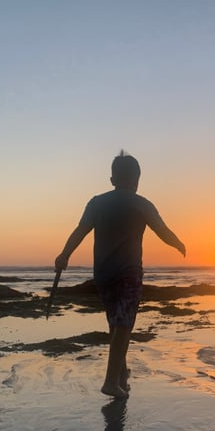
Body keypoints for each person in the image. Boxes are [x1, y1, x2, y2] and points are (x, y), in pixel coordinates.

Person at [55, 151, 186, 398]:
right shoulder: (141, 204)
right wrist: (179, 244)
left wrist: (64, 255)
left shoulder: (97, 202)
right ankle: (110, 381)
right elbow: (163, 231)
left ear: (112, 179)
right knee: (124, 325)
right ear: (137, 179)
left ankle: (122, 375)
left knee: (116, 323)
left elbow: (80, 231)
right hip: (129, 273)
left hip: (103, 274)